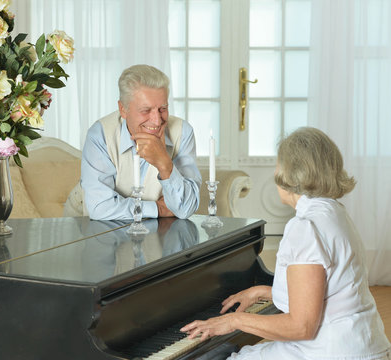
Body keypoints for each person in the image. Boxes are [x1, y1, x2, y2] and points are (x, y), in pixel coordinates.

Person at [181, 127, 391, 359]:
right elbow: (329, 290)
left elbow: (301, 327)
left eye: (279, 164)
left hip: (330, 352)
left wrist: (233, 321)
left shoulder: (305, 227)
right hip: (364, 346)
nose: (275, 173)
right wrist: (264, 291)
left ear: (292, 172)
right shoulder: (335, 213)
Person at [70, 64, 201, 220]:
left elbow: (186, 208)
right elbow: (100, 208)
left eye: (163, 108)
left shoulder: (182, 132)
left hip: (156, 232)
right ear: (123, 109)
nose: (157, 120)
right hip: (89, 227)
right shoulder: (100, 135)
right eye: (145, 110)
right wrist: (158, 209)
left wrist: (164, 164)